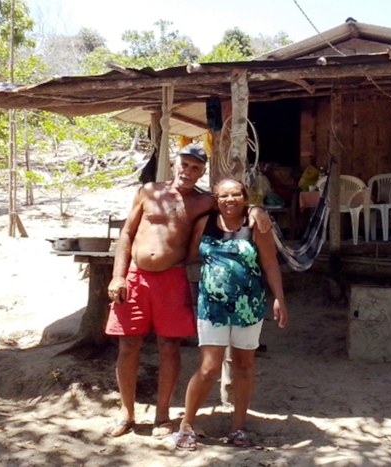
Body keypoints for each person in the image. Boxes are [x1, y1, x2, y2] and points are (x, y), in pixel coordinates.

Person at [105, 144, 271, 439]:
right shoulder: (148, 191)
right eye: (185, 164)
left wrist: (257, 209)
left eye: (196, 168)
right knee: (128, 345)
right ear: (175, 163)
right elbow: (127, 233)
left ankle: (161, 415)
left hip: (171, 278)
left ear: (202, 172)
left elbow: (234, 203)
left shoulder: (203, 201)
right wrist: (118, 275)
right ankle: (127, 414)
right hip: (135, 277)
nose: (188, 171)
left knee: (169, 346)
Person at [172, 178, 288, 451]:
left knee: (244, 366)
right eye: (224, 195)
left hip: (249, 307)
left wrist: (279, 299)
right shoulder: (205, 224)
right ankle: (186, 426)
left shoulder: (256, 225)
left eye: (236, 194)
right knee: (209, 367)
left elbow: (270, 264)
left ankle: (237, 428)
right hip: (212, 308)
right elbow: (190, 257)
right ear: (216, 198)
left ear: (245, 198)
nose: (230, 200)